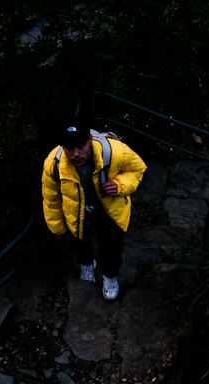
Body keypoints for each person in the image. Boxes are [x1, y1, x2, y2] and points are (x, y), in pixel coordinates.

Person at [41, 120, 147, 301]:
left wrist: (120, 185)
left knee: (112, 244)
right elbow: (51, 198)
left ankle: (110, 276)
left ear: (90, 140)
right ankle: (87, 264)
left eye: (81, 146)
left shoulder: (113, 152)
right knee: (81, 239)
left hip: (108, 207)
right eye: (69, 147)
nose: (76, 154)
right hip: (76, 210)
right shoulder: (54, 164)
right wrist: (57, 227)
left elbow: (138, 168)